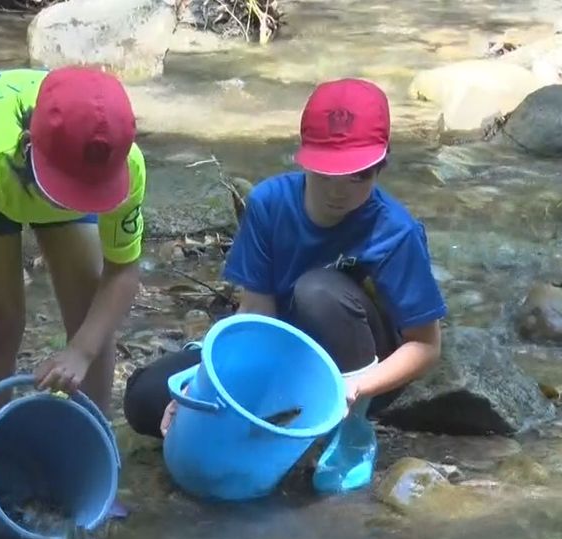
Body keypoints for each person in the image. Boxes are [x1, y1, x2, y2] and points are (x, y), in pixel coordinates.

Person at [122, 78, 447, 493]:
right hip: (279, 355)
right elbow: (256, 314)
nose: (338, 191)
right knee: (146, 398)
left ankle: (353, 433)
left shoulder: (395, 232)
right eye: (326, 173)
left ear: (380, 167)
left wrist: (356, 388)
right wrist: (207, 379)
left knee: (316, 291)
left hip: (359, 374)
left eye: (358, 176)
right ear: (304, 160)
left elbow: (425, 346)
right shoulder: (270, 205)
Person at [0, 67, 146, 462]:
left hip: (68, 159)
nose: (77, 205)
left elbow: (121, 271)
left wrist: (81, 351)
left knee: (89, 309)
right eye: (70, 195)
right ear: (28, 145)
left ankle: (89, 447)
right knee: (1, 320)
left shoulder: (120, 164)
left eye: (89, 195)